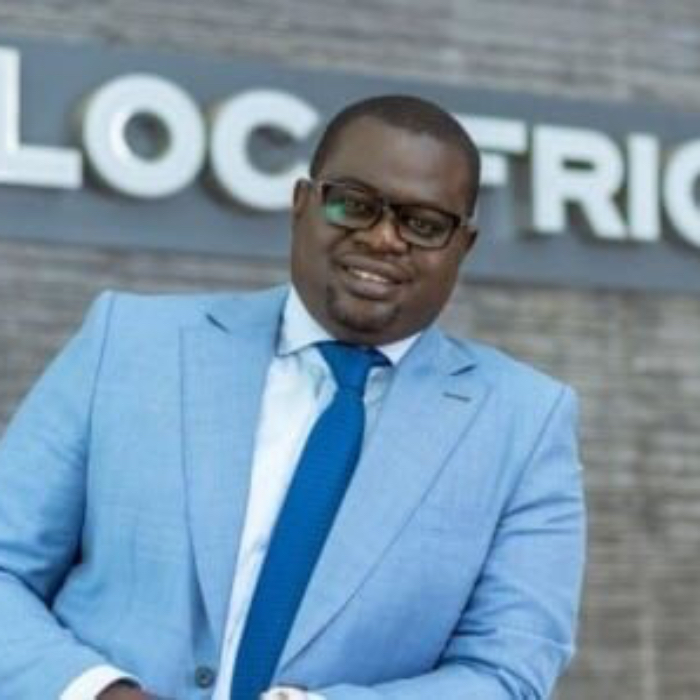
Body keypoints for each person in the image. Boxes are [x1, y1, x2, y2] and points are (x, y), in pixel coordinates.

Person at [0, 94, 585, 700]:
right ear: (302, 203)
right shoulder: (126, 341)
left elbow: (508, 671)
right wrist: (99, 693)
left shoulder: (525, 423)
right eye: (354, 205)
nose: (384, 239)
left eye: (424, 224)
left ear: (463, 245)